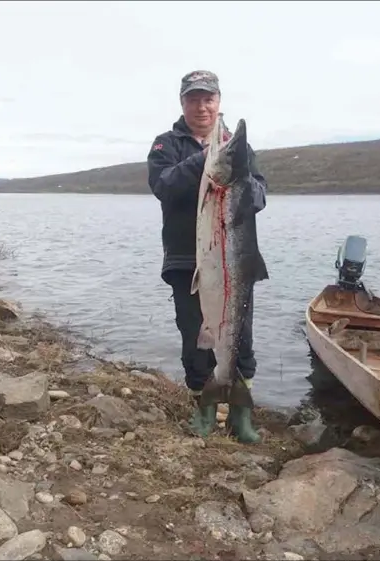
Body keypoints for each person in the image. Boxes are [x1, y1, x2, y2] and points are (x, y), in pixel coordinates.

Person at [146, 70, 268, 443]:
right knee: (194, 336)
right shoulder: (166, 145)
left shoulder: (238, 147)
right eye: (194, 99)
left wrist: (246, 188)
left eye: (208, 98)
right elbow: (163, 186)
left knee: (240, 337)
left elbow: (260, 193)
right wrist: (202, 160)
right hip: (186, 262)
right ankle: (204, 409)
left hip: (237, 261)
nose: (202, 105)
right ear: (183, 103)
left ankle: (241, 413)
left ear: (218, 102)